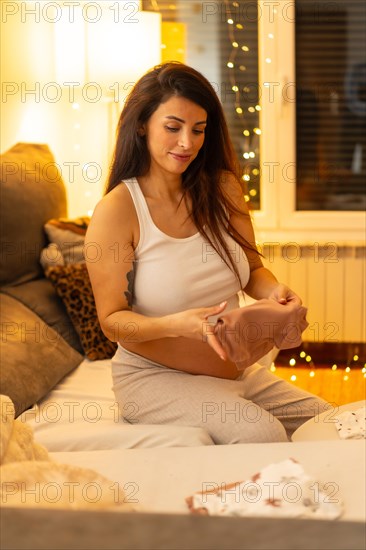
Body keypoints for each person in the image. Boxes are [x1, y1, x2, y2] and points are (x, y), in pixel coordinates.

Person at [85, 62, 329, 444]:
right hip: (153, 378)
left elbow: (251, 268)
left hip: (238, 370)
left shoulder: (223, 189)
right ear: (141, 125)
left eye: (198, 130)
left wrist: (274, 291)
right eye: (172, 127)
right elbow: (112, 321)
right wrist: (178, 325)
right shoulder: (118, 211)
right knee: (261, 435)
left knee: (333, 425)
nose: (187, 143)